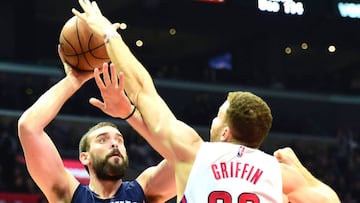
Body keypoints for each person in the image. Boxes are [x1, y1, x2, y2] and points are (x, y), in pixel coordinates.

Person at [73, 1, 341, 202]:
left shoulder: (196, 152)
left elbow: (143, 89)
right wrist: (298, 166)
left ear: (225, 132)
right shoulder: (279, 173)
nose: (213, 120)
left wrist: (109, 35)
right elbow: (329, 200)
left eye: (218, 116)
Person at [17, 46, 176, 203]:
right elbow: (29, 127)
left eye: (119, 140)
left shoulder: (144, 191)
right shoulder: (68, 195)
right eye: (102, 140)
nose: (114, 143)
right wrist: (74, 80)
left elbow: (189, 155)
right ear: (85, 157)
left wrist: (129, 113)